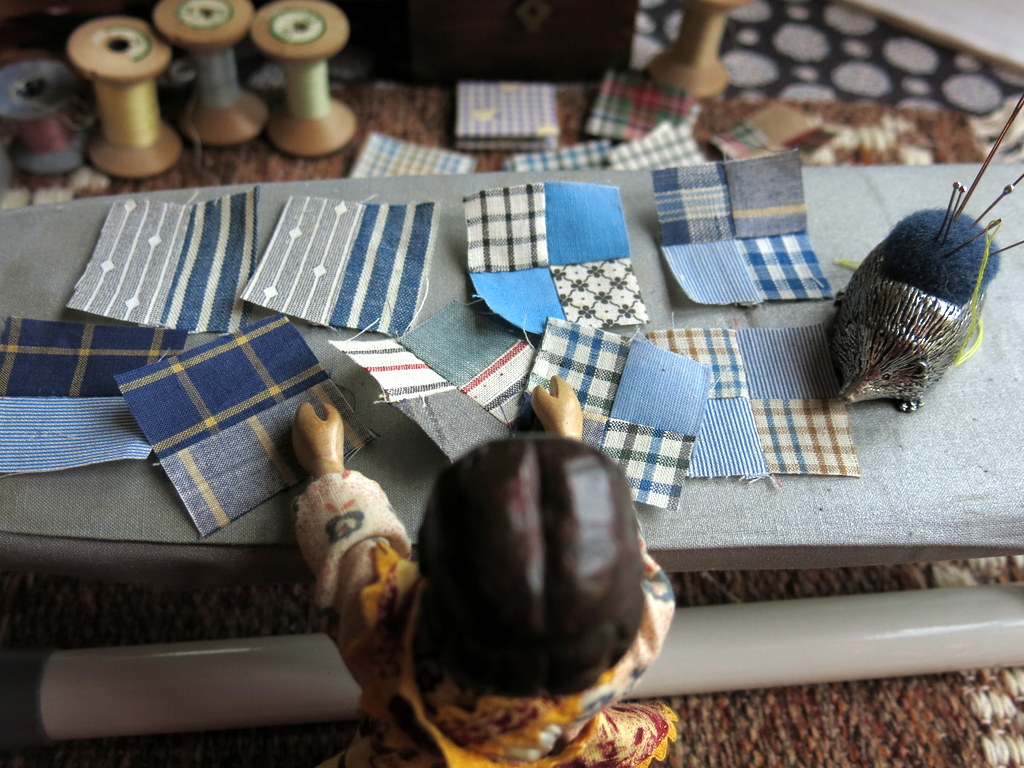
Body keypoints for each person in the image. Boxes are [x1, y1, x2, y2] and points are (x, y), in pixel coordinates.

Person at [291, 377, 677, 768]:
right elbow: (615, 543)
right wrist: (567, 444)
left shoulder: (387, 625)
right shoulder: (647, 627)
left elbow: (355, 544)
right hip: (551, 744)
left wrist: (326, 465)